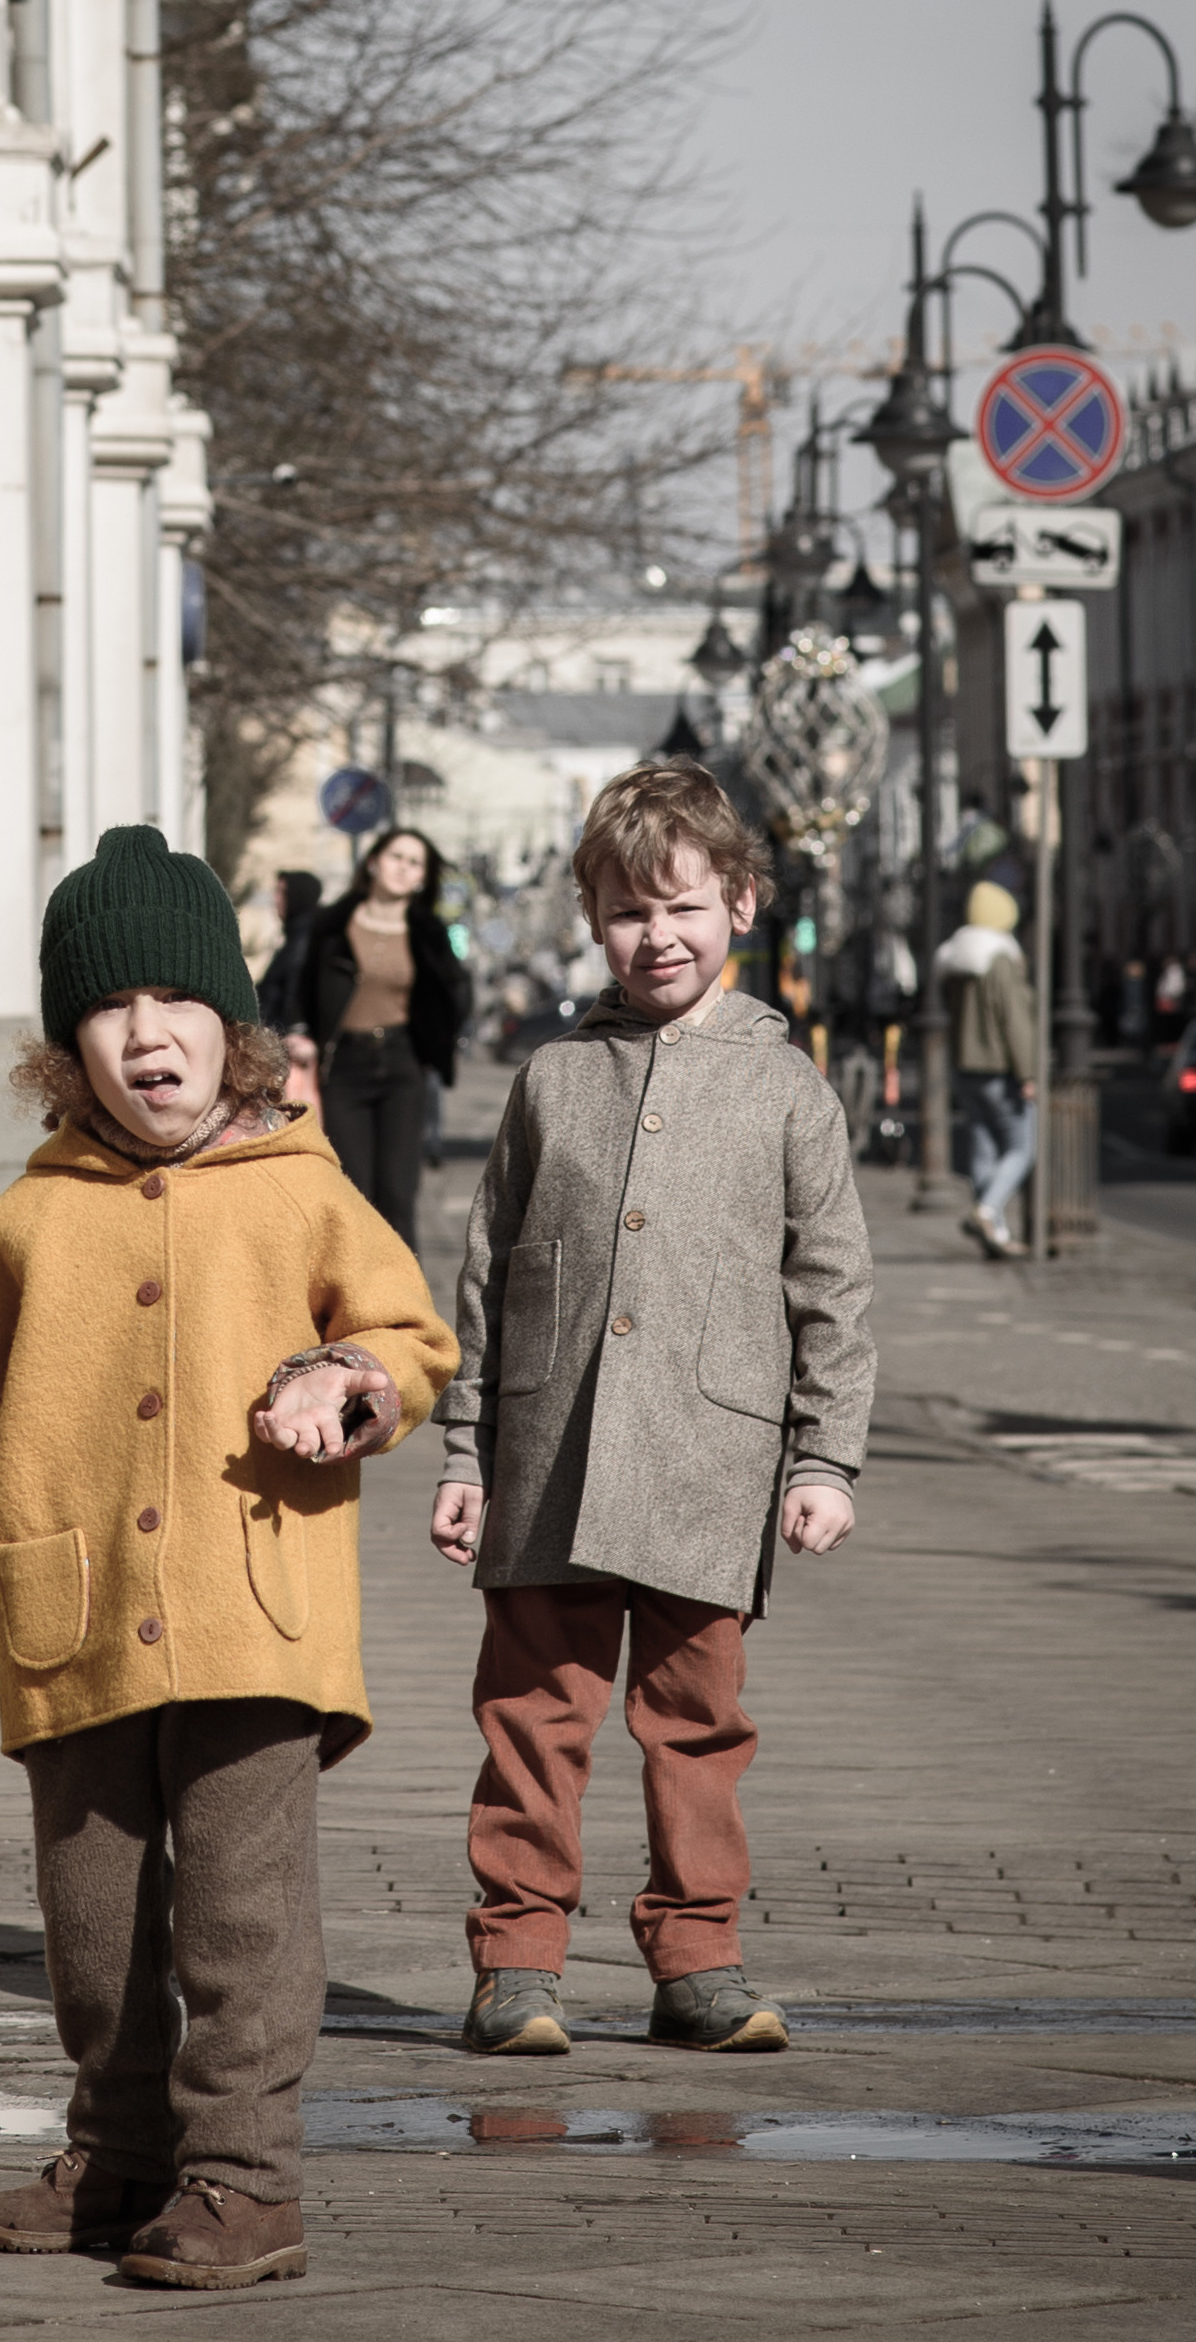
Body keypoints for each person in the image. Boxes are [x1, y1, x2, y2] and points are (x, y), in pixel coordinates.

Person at [0, 826, 455, 2290]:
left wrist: (345, 1379)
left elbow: (411, 1340)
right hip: (82, 1615)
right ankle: (118, 2158)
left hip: (255, 1613)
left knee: (245, 1915)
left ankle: (245, 2181)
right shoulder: (31, 1218)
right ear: (67, 1053)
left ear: (230, 1034)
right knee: (93, 1919)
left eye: (173, 1003)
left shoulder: (305, 1190)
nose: (142, 1035)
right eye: (105, 1012)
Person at [428, 759, 874, 2059]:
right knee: (532, 1725)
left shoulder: (786, 1085)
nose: (655, 936)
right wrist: (468, 1448)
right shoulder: (551, 1080)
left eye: (680, 907)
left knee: (697, 1731)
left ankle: (699, 1961)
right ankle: (517, 1963)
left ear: (740, 902)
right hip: (548, 1462)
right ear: (593, 921)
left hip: (709, 1465)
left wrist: (825, 1460)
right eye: (626, 911)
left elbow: (832, 1288)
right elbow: (490, 1273)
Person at [286, 827, 472, 1250]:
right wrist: (302, 1033)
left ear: (423, 878)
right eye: (396, 857)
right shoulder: (331, 923)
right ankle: (353, 1303)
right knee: (353, 1191)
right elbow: (303, 987)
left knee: (397, 1193)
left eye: (414, 863)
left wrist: (438, 1042)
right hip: (345, 1067)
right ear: (373, 861)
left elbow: (455, 992)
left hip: (402, 1064)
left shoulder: (428, 932)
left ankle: (405, 1309)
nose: (403, 868)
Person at [935, 881, 1037, 1262]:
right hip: (999, 1067)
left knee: (983, 1146)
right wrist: (1028, 1072)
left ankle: (994, 1231)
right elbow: (1015, 1021)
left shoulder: (956, 959)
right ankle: (988, 1210)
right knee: (1022, 1147)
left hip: (965, 1065)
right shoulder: (999, 958)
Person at [256, 869, 326, 1117]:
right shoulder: (293, 936)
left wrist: (297, 1029)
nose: (276, 899)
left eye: (281, 892)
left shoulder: (305, 940)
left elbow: (296, 993)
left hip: (294, 1049)